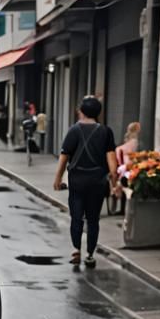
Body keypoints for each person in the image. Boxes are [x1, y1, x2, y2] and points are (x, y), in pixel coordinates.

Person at [52, 95, 120, 268]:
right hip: (97, 182)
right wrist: (114, 181)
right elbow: (112, 160)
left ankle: (76, 249)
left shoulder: (74, 130)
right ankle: (90, 255)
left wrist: (58, 178)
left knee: (76, 217)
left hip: (77, 181)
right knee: (93, 219)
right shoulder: (106, 131)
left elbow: (64, 155)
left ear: (81, 111)